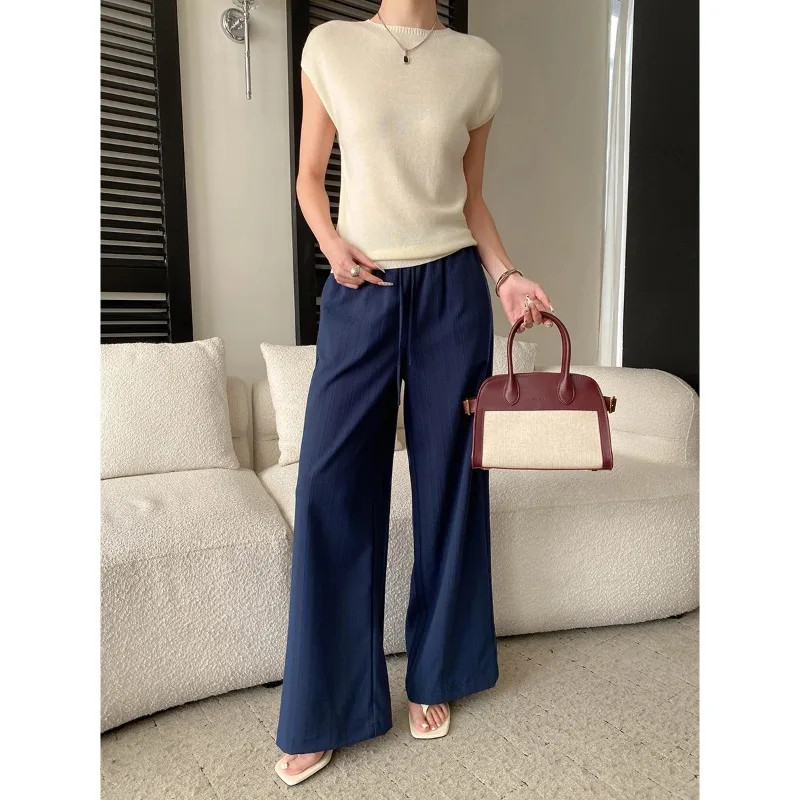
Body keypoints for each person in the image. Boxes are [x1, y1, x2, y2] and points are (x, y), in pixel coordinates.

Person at [274, 0, 553, 786]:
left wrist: (506, 277)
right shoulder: (330, 46)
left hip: (451, 296)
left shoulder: (478, 64)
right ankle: (324, 706)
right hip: (360, 289)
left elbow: (469, 198)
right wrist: (330, 244)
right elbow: (308, 176)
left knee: (452, 484)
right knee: (329, 486)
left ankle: (438, 671)